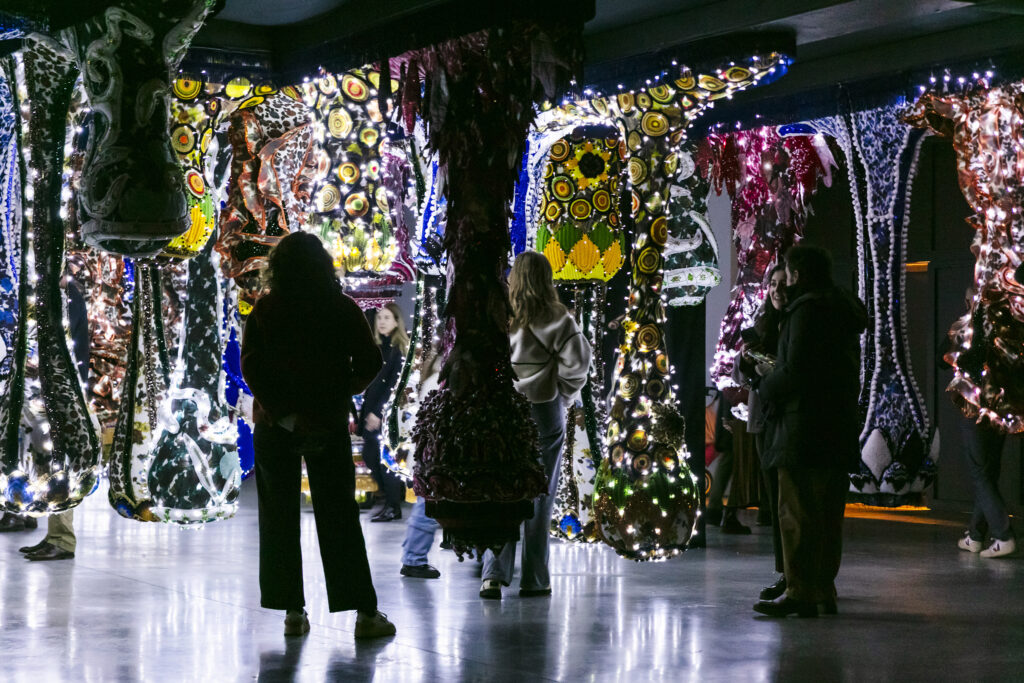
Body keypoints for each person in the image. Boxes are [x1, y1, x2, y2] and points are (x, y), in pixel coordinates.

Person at [241, 231, 395, 639]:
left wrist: (285, 412)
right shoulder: (340, 308)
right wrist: (338, 391)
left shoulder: (266, 310)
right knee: (339, 515)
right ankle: (364, 613)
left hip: (275, 426)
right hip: (327, 423)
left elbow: (252, 367)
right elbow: (369, 361)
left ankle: (293, 611)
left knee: (278, 517)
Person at [752, 245, 866, 618]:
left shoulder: (806, 311)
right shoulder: (843, 309)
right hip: (836, 427)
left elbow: (795, 371)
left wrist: (764, 382)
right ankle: (823, 590)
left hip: (802, 430)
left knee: (796, 513)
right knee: (828, 515)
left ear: (798, 274)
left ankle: (800, 590)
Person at [479, 251, 591, 600]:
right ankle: (535, 579)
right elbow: (578, 365)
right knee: (541, 494)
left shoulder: (498, 315)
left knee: (500, 489)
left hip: (503, 413)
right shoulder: (559, 317)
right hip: (545, 410)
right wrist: (564, 396)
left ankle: (492, 576)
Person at [17, 278, 90, 561]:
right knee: (46, 460)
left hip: (62, 393)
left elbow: (62, 346)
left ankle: (62, 538)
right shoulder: (56, 293)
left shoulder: (65, 295)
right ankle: (53, 534)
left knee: (60, 462)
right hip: (52, 390)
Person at [733, 265, 787, 599]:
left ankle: (799, 575)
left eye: (785, 283)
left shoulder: (796, 323)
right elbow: (739, 376)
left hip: (788, 418)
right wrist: (746, 360)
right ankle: (786, 573)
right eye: (774, 284)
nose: (779, 289)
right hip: (763, 419)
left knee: (789, 503)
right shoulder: (760, 325)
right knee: (775, 498)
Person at [359, 302, 409, 523]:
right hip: (371, 410)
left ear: (397, 322)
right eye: (380, 317)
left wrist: (378, 412)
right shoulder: (378, 348)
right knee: (372, 457)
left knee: (383, 460)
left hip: (384, 414)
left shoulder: (397, 350)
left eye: (387, 318)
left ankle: (392, 506)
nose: (382, 321)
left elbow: (394, 384)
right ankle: (389, 502)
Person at [400, 349, 443, 579]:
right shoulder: (443, 378)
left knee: (426, 502)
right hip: (436, 453)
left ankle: (413, 556)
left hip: (427, 452)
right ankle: (413, 558)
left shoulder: (432, 374)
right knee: (428, 504)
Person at [957, 416, 1016, 557]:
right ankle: (975, 536)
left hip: (975, 412)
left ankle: (1003, 536)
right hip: (999, 414)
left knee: (981, 476)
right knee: (988, 476)